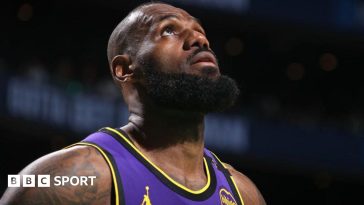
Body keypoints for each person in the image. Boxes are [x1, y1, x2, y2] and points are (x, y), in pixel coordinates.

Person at [0, 2, 266, 205]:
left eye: (200, 32)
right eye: (169, 30)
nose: (200, 39)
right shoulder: (67, 177)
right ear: (124, 69)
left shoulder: (244, 194)